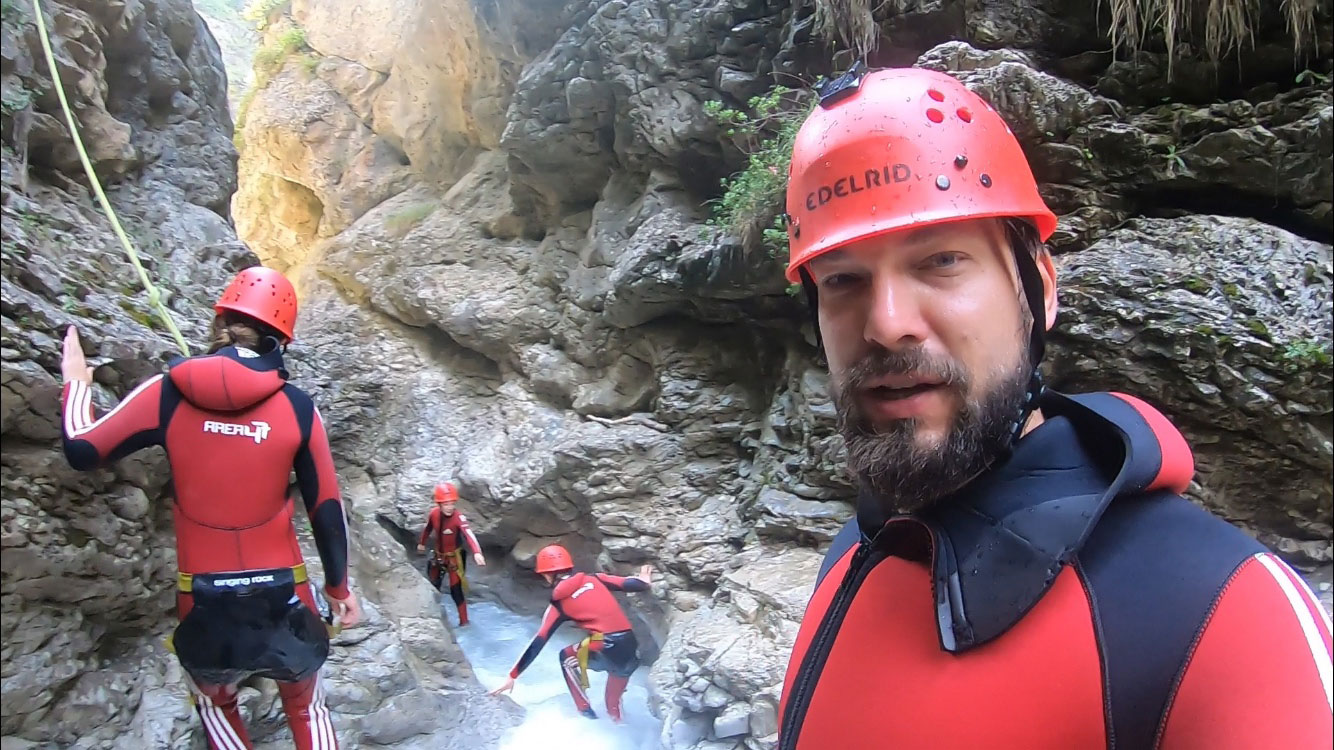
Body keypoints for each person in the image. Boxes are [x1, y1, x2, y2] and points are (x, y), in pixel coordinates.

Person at [775, 63, 1332, 749]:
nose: (887, 324)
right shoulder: (855, 554)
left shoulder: (1227, 615)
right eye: (843, 280)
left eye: (940, 261)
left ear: (1038, 289)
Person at [59, 265, 364, 750]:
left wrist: (76, 383)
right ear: (280, 339)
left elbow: (82, 449)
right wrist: (339, 588)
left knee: (215, 701)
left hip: (201, 595)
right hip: (284, 589)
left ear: (218, 320)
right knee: (306, 704)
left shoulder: (167, 392)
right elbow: (325, 505)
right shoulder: (297, 406)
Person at [488, 545, 653, 722]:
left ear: (547, 575)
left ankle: (585, 712)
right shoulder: (595, 578)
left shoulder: (559, 604)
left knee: (566, 657)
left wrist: (512, 676)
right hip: (630, 646)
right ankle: (619, 724)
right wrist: (644, 579)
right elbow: (633, 585)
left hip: (604, 644)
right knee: (613, 704)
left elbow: (539, 641)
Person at [416, 481, 486, 626]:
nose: (449, 507)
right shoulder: (434, 514)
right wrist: (422, 543)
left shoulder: (458, 518)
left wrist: (477, 552)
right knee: (433, 585)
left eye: (452, 504)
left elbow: (469, 534)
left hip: (455, 559)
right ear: (439, 504)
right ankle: (432, 618)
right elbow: (428, 529)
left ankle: (464, 622)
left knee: (456, 590)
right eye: (446, 504)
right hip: (438, 556)